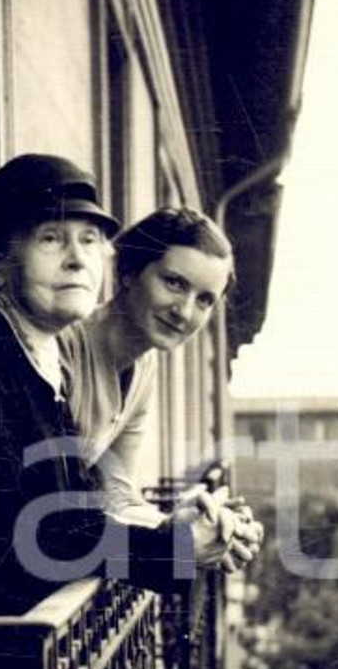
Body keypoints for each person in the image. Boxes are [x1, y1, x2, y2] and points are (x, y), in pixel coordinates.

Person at [0, 156, 245, 616]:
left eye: (89, 241)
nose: (76, 259)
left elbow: (80, 508)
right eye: (51, 239)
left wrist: (176, 532)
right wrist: (174, 548)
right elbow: (31, 533)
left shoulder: (33, 353)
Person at [59, 205, 262, 567]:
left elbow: (116, 496)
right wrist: (176, 542)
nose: (184, 312)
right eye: (174, 283)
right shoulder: (65, 349)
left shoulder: (144, 363)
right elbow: (64, 510)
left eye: (204, 300)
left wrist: (211, 530)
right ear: (129, 273)